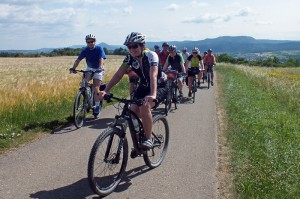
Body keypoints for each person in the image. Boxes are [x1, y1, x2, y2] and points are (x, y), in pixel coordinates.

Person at [99, 32, 166, 149]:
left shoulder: (151, 55)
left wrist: (153, 94)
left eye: (135, 46)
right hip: (144, 86)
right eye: (129, 47)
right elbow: (119, 74)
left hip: (159, 86)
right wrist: (106, 89)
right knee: (133, 110)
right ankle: (140, 138)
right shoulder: (129, 58)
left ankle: (149, 138)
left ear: (142, 45)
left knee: (145, 106)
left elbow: (153, 75)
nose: (132, 49)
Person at [70, 34, 106, 116]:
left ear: (95, 42)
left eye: (92, 41)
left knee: (96, 87)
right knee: (84, 83)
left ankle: (96, 106)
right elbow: (78, 60)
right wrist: (73, 68)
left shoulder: (99, 48)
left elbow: (101, 58)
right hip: (90, 68)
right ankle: (87, 99)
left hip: (98, 69)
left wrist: (100, 67)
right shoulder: (85, 50)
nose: (90, 43)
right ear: (86, 42)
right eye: (88, 42)